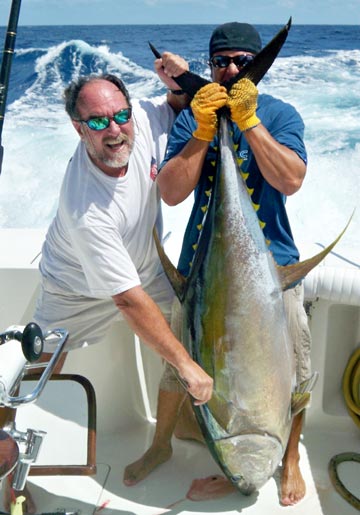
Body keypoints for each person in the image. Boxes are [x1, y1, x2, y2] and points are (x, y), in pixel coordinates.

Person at [0, 52, 213, 514]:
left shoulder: (144, 119)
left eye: (121, 115)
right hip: (74, 290)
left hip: (143, 270)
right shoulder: (86, 206)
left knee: (185, 333)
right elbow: (128, 301)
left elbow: (181, 104)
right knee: (31, 377)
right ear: (78, 129)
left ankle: (166, 440)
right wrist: (190, 368)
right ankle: (4, 471)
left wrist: (181, 80)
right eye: (98, 122)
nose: (116, 130)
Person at [124, 22, 311, 507]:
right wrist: (205, 127)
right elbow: (170, 191)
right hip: (201, 271)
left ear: (255, 67)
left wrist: (248, 122)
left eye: (241, 62)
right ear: (209, 66)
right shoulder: (192, 119)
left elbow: (290, 180)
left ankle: (289, 457)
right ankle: (160, 444)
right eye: (220, 62)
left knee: (298, 370)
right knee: (177, 367)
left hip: (274, 269)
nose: (229, 70)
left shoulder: (280, 113)